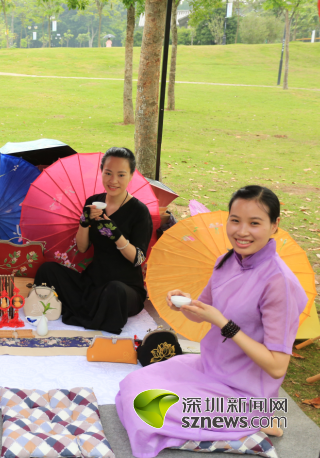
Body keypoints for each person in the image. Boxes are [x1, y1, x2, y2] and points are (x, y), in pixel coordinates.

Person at [115, 186, 306, 458]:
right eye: (235, 220)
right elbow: (201, 311)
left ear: (274, 225)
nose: (242, 231)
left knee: (148, 408)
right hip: (209, 368)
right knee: (132, 384)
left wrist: (225, 324)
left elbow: (277, 367)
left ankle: (255, 418)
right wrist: (184, 303)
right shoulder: (226, 261)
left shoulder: (279, 282)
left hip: (244, 391)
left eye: (254, 223)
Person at [34, 147, 153, 334]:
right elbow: (82, 248)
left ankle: (89, 310)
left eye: (121, 175)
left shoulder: (139, 211)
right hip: (93, 283)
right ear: (101, 171)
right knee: (48, 270)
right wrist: (84, 222)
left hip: (124, 289)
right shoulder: (93, 202)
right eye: (108, 173)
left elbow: (138, 259)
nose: (113, 180)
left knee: (114, 291)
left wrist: (116, 235)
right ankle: (92, 308)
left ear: (131, 175)